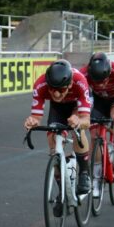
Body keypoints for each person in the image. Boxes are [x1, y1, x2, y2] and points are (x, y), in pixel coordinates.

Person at [24, 59, 91, 197]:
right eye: (52, 89)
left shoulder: (80, 81)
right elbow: (36, 117)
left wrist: (78, 121)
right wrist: (32, 121)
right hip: (58, 109)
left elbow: (86, 120)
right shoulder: (40, 84)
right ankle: (62, 189)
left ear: (70, 84)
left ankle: (84, 173)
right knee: (53, 144)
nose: (56, 94)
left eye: (61, 89)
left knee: (78, 129)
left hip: (75, 107)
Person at [80, 52, 114, 197]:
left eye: (104, 80)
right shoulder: (83, 73)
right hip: (97, 101)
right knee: (94, 135)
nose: (102, 84)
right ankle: (96, 179)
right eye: (97, 81)